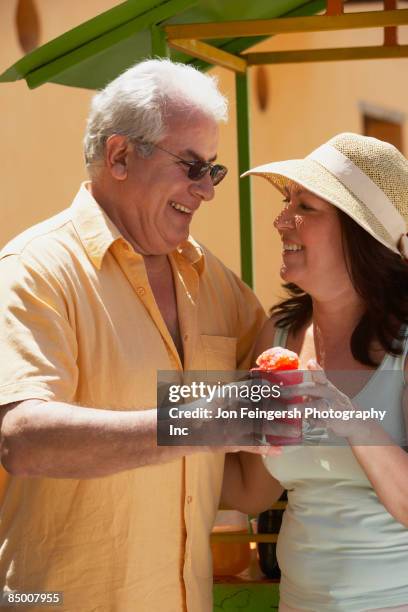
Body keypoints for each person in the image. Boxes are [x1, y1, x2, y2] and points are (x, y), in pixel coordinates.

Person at [0, 59, 267, 611]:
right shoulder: (34, 268)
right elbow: (22, 438)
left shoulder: (211, 279)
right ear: (120, 156)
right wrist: (205, 421)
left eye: (212, 172)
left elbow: (251, 466)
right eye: (192, 167)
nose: (206, 191)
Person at [221, 133, 408, 611]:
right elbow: (252, 491)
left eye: (304, 205)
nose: (280, 220)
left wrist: (352, 420)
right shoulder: (279, 335)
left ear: (359, 233)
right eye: (286, 202)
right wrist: (187, 426)